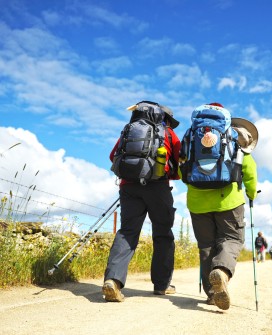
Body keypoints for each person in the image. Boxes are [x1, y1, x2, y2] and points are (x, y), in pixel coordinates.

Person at [180, 102, 258, 311]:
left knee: (206, 246)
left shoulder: (191, 137)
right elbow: (249, 170)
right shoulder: (233, 137)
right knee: (232, 239)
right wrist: (250, 193)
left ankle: (212, 293)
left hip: (197, 202)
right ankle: (222, 272)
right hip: (229, 200)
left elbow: (182, 172)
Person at [102, 102, 181, 302]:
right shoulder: (168, 133)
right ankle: (162, 285)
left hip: (129, 187)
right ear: (165, 118)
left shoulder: (129, 131)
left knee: (127, 232)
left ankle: (113, 280)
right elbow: (179, 162)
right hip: (158, 187)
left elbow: (113, 156)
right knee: (163, 234)